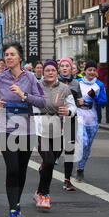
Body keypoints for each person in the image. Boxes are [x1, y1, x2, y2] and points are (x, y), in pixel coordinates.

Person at [0, 42, 46, 217]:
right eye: (6, 54)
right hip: (5, 129)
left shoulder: (30, 78)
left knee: (21, 171)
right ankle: (12, 211)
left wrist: (23, 95)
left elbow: (42, 102)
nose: (8, 57)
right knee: (12, 169)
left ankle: (17, 204)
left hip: (26, 130)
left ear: (20, 58)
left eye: (12, 54)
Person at [33, 60, 76, 209]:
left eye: (52, 70)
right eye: (47, 70)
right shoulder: (36, 86)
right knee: (50, 161)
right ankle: (44, 195)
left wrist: (69, 111)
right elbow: (30, 103)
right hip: (40, 128)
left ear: (56, 72)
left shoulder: (64, 88)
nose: (50, 73)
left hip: (58, 128)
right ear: (42, 73)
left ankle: (39, 190)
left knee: (51, 160)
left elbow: (73, 107)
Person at [76, 60, 107, 182]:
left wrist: (95, 96)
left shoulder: (99, 85)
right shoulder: (77, 82)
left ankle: (80, 168)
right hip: (79, 115)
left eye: (94, 70)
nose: (92, 72)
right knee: (82, 142)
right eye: (89, 70)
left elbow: (104, 102)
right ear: (85, 71)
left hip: (92, 118)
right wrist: (77, 101)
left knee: (87, 147)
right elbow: (69, 97)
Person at [58, 57, 82, 191]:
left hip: (71, 118)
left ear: (71, 68)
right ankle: (46, 164)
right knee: (55, 150)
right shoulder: (54, 82)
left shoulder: (75, 84)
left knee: (69, 149)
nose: (65, 68)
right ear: (59, 68)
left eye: (68, 66)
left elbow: (78, 100)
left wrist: (80, 102)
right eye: (63, 66)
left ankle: (67, 180)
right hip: (55, 119)